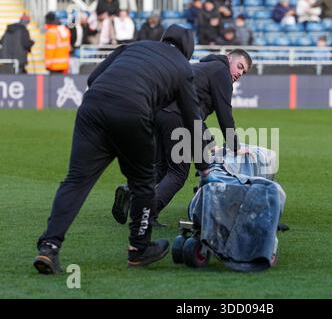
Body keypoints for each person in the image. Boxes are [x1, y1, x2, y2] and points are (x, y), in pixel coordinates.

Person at [33, 24, 210, 275]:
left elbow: (92, 78)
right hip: (132, 113)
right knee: (143, 184)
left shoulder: (133, 46)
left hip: (92, 108)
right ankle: (139, 249)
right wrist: (203, 167)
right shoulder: (183, 68)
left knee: (76, 180)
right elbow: (193, 120)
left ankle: (48, 247)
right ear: (188, 51)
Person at [112, 49, 253, 227]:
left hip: (159, 112)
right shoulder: (221, 72)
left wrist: (209, 141)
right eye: (239, 67)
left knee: (161, 169)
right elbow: (224, 113)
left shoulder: (205, 66)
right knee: (177, 173)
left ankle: (131, 191)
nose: (239, 73)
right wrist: (235, 146)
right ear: (229, 59)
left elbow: (195, 112)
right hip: (177, 116)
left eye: (244, 72)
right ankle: (144, 214)